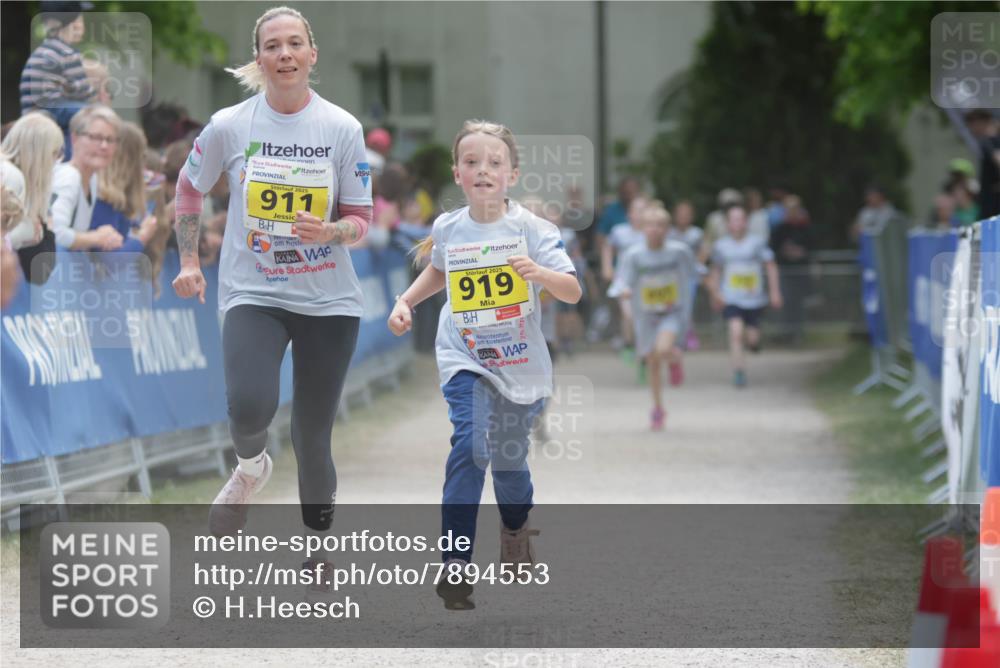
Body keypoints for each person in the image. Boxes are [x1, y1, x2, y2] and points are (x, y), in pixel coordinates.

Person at [170, 7, 373, 589]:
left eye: (294, 44)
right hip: (252, 289)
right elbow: (188, 187)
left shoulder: (341, 128)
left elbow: (361, 217)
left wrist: (330, 232)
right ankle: (251, 466)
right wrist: (188, 259)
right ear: (258, 59)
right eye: (271, 46)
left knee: (313, 435)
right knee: (250, 406)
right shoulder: (231, 125)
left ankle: (316, 553)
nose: (283, 54)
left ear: (312, 54)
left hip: (328, 300)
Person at [387, 120, 581, 610]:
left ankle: (515, 528)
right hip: (464, 355)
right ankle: (456, 563)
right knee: (470, 447)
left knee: (509, 465)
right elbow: (439, 269)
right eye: (471, 162)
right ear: (457, 173)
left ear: (511, 174)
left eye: (494, 162)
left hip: (520, 365)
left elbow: (573, 290)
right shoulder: (449, 227)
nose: (483, 170)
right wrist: (405, 301)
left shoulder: (533, 230)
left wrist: (541, 274)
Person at [617, 202, 698, 430]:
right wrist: (624, 290)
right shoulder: (634, 255)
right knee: (652, 363)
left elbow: (694, 273)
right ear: (642, 228)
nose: (655, 230)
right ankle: (658, 408)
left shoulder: (679, 251)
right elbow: (622, 280)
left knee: (663, 349)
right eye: (650, 225)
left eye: (661, 225)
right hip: (646, 316)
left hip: (672, 313)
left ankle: (673, 357)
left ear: (668, 228)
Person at [708, 204, 782, 388]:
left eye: (741, 219)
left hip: (754, 299)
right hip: (731, 298)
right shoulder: (721, 246)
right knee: (735, 332)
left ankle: (754, 343)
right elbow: (715, 271)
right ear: (728, 223)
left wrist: (774, 291)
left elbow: (770, 265)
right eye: (734, 219)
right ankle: (739, 372)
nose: (738, 223)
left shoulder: (757, 243)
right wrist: (715, 294)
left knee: (752, 338)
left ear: (746, 222)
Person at [20, 1, 96, 156]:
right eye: (79, 19)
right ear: (69, 24)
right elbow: (86, 93)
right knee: (94, 114)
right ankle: (71, 161)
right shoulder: (67, 52)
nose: (81, 25)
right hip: (51, 116)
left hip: (31, 121)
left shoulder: (43, 50)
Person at [49, 104, 125, 251]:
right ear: (74, 138)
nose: (104, 146)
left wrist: (102, 235)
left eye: (110, 139)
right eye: (96, 137)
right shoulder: (68, 177)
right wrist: (97, 237)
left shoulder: (92, 179)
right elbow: (55, 232)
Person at [0, 112, 64, 251]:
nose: (56, 161)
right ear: (39, 153)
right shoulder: (12, 176)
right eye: (54, 153)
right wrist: (27, 231)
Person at [91, 121, 159, 252]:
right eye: (142, 156)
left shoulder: (114, 195)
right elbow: (110, 263)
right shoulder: (103, 197)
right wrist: (142, 236)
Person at [769, 195, 812, 345]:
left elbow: (811, 248)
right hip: (785, 271)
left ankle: (798, 332)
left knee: (798, 303)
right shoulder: (780, 229)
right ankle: (785, 333)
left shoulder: (804, 228)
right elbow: (773, 250)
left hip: (800, 271)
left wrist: (801, 253)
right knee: (785, 301)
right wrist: (786, 252)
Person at [668, 199, 704, 351]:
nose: (683, 217)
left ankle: (688, 333)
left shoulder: (697, 234)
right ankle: (675, 334)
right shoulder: (669, 233)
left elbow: (704, 251)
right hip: (672, 277)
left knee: (686, 306)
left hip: (689, 277)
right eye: (680, 214)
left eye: (686, 214)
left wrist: (695, 265)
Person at [964, 108, 1000, 219]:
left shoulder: (987, 141)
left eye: (971, 123)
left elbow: (997, 159)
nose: (971, 129)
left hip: (992, 203)